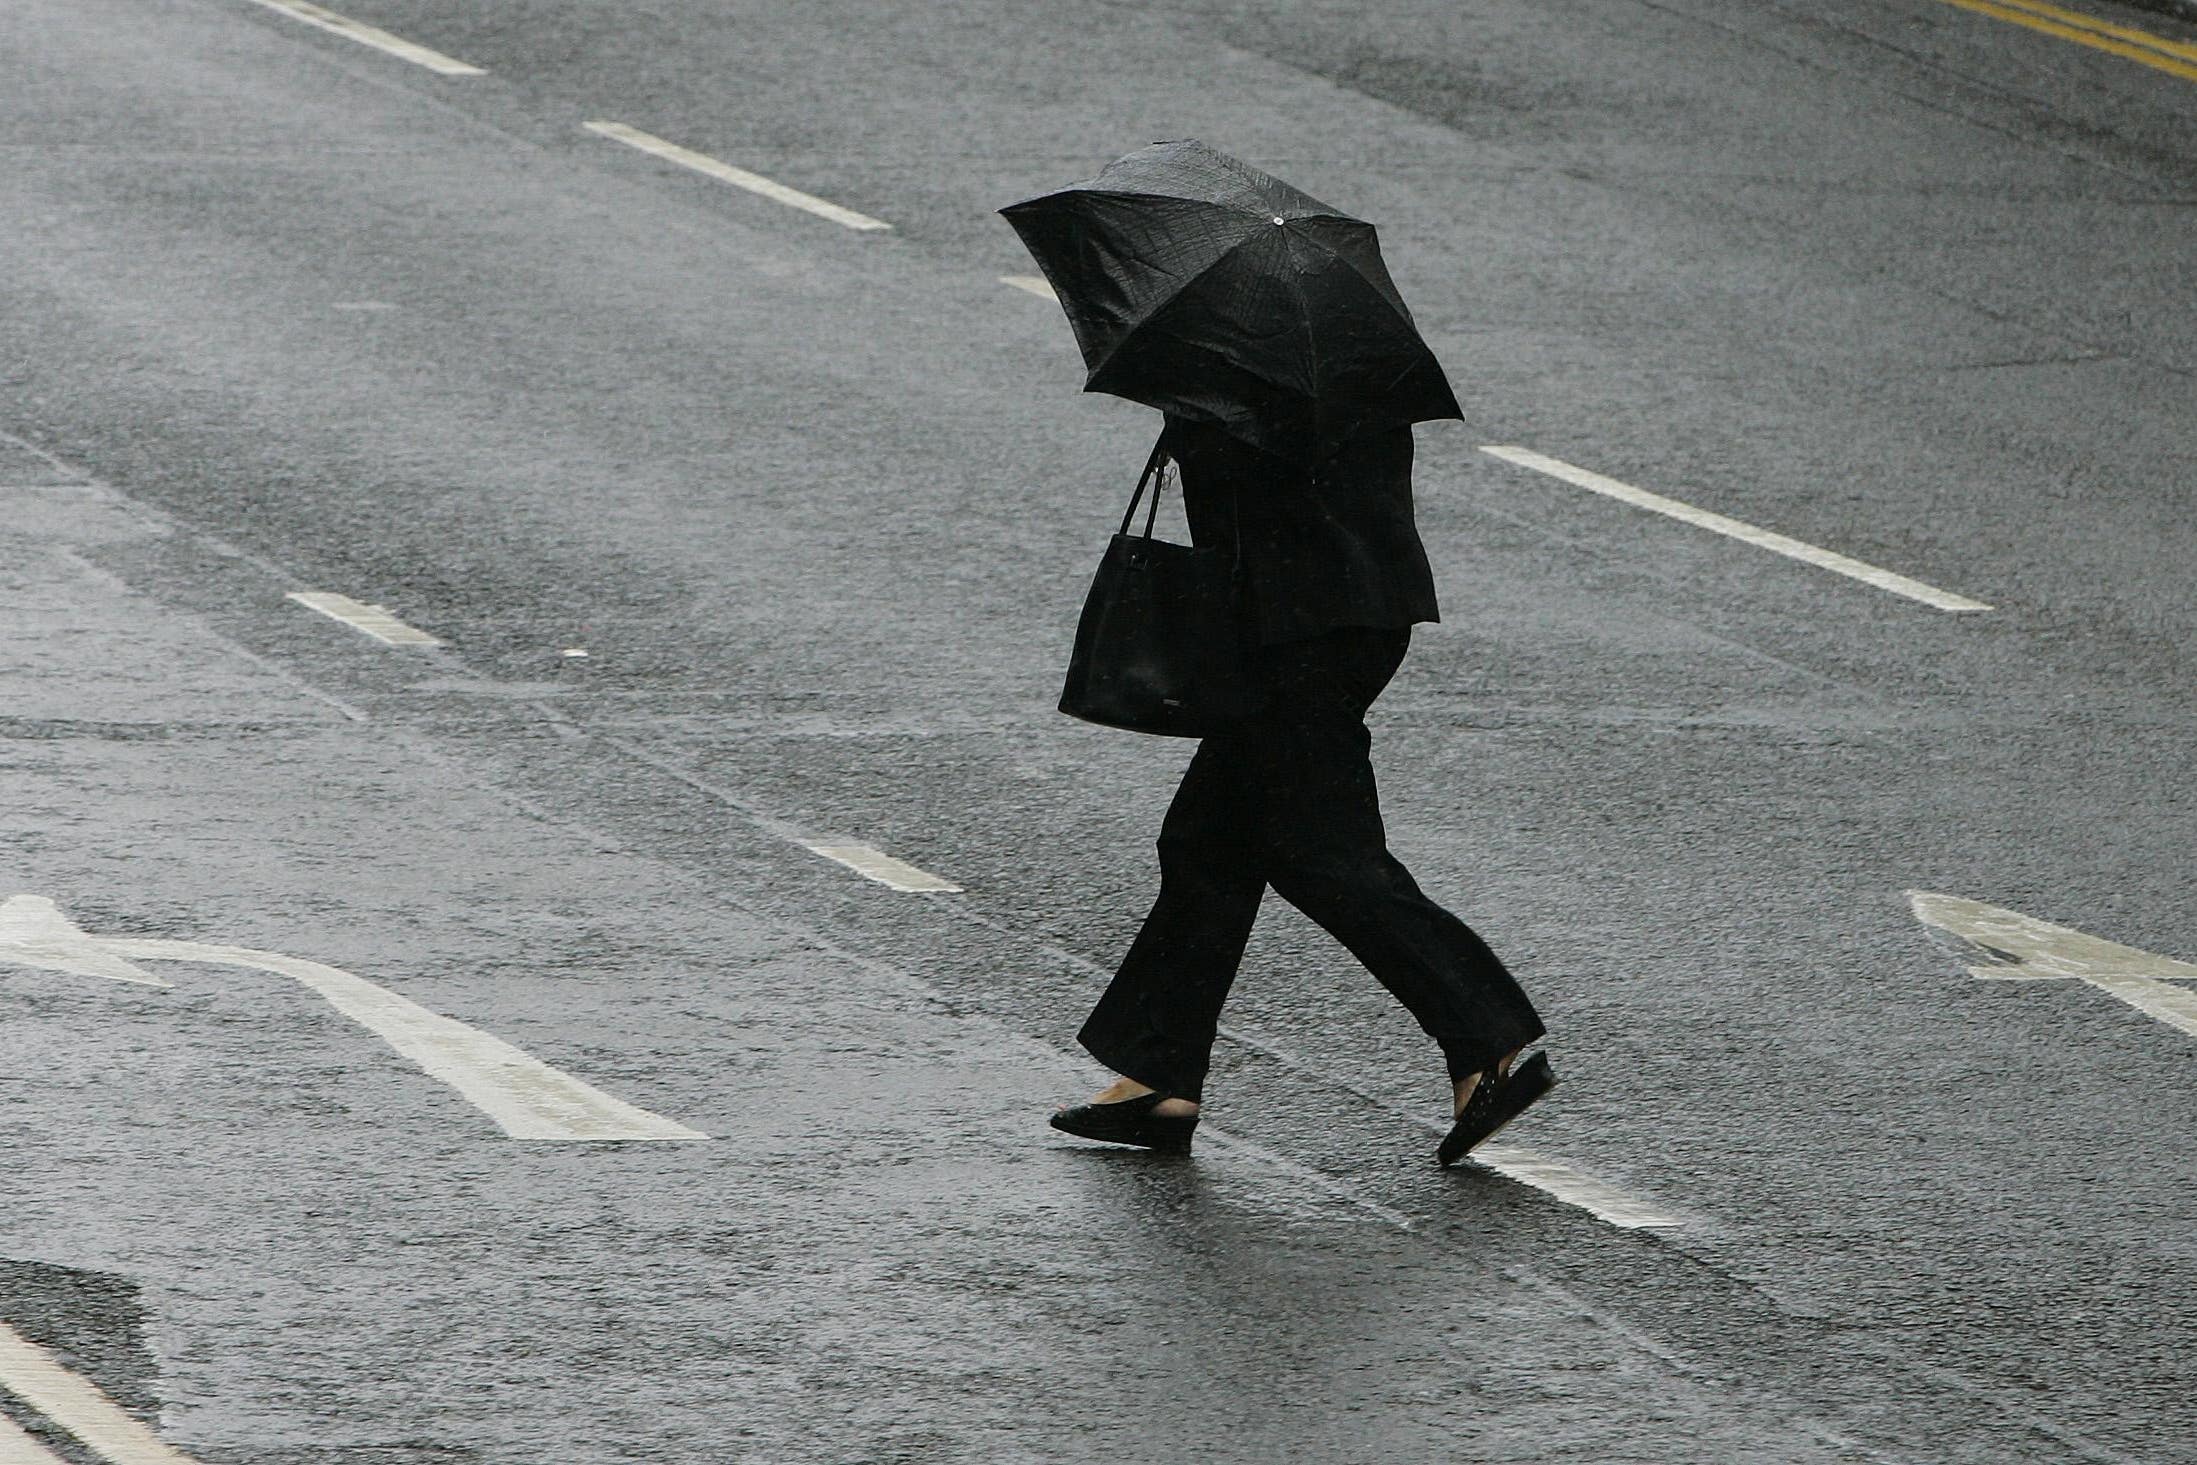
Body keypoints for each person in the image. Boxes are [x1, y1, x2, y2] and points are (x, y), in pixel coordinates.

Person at [1049, 413, 1553, 1166]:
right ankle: (1159, 1073)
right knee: (1205, 845)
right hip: (1334, 613)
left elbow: (1254, 498)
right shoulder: (1321, 354)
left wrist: (1188, 419)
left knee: (1322, 853)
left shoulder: (1254, 366)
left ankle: (1485, 1036)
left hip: (1302, 629)